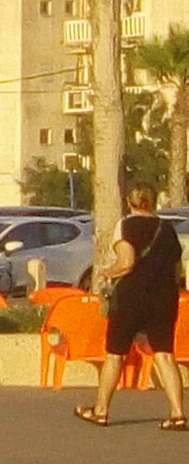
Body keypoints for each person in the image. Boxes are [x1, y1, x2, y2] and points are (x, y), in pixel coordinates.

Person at [76, 182, 184, 428]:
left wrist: (106, 272)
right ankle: (177, 413)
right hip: (163, 299)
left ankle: (101, 410)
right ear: (154, 201)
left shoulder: (125, 226)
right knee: (164, 354)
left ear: (129, 202)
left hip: (131, 299)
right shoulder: (167, 229)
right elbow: (176, 267)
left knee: (115, 354)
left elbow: (126, 262)